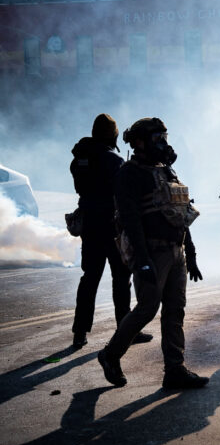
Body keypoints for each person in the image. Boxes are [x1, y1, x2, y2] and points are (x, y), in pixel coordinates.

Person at [97, 117, 208, 390]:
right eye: (156, 139)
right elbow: (130, 220)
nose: (163, 144)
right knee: (147, 308)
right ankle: (110, 355)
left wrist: (190, 252)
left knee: (175, 311)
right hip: (153, 252)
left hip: (176, 251)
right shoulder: (129, 174)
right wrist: (143, 260)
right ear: (138, 142)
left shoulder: (166, 170)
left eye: (164, 138)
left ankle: (175, 369)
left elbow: (180, 212)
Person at [69, 113, 152, 349]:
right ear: (112, 134)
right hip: (111, 226)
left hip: (90, 226)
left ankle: (80, 332)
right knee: (121, 278)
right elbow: (124, 194)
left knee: (90, 278)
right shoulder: (113, 160)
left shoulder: (78, 160)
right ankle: (125, 331)